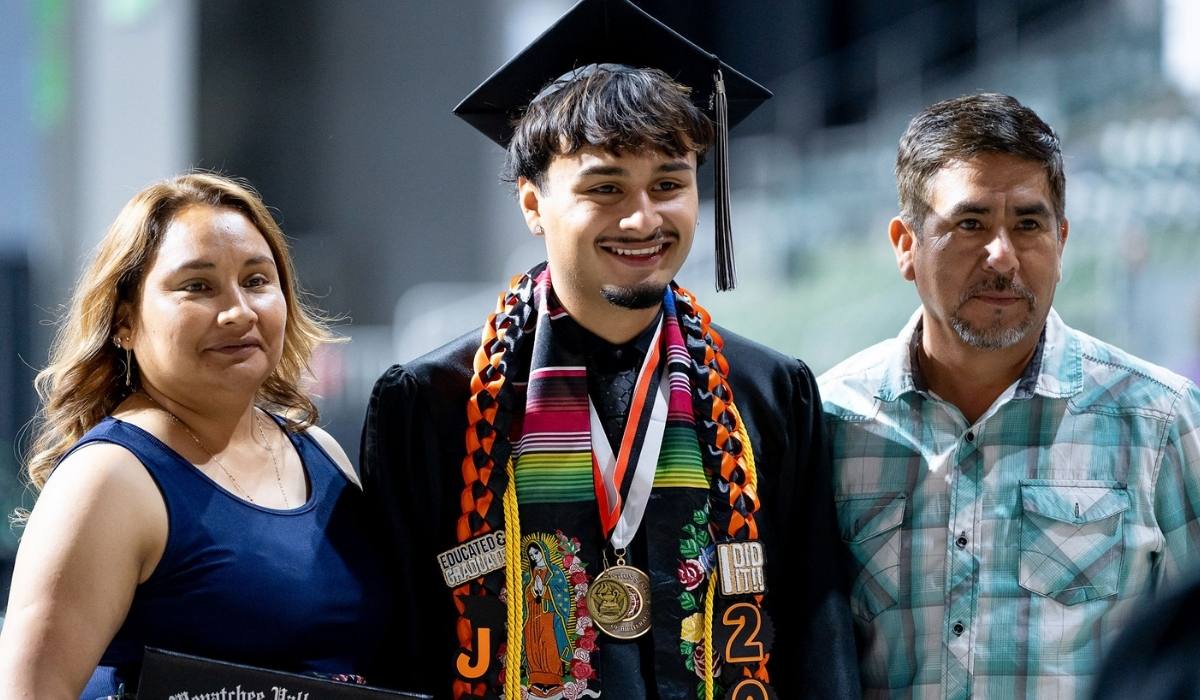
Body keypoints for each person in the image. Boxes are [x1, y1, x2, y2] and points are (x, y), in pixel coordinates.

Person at [359, 1, 858, 698]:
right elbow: (404, 643)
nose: (642, 218)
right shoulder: (438, 400)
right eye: (605, 188)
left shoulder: (769, 392)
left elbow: (815, 631)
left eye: (669, 184)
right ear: (532, 204)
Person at [818, 92, 1200, 698]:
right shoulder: (832, 419)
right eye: (969, 224)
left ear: (1061, 239)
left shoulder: (1159, 421)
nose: (1002, 255)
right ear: (905, 244)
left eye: (1028, 223)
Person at [0, 173, 393, 697]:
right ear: (124, 321)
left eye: (256, 280)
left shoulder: (318, 452)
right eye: (197, 287)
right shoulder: (108, 479)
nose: (238, 312)